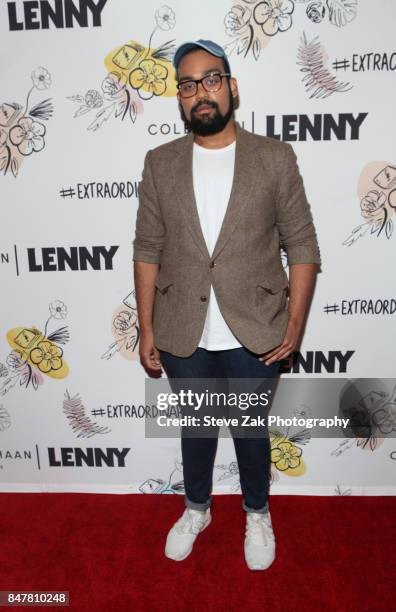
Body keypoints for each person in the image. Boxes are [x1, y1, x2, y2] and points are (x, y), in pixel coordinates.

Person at [133, 39, 321, 570]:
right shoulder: (160, 162)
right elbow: (147, 249)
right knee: (196, 427)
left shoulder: (274, 157)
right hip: (181, 329)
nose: (201, 94)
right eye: (188, 85)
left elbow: (303, 245)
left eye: (211, 80)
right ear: (180, 98)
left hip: (256, 328)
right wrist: (146, 328)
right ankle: (197, 507)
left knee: (249, 429)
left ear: (231, 87)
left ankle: (256, 512)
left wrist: (295, 324)